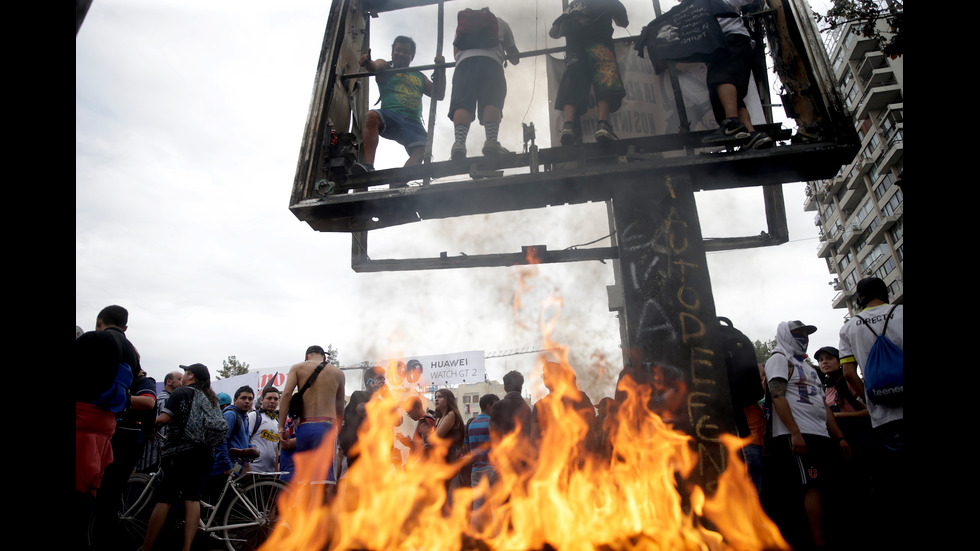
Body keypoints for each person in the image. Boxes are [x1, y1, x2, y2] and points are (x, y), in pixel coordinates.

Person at [763, 320, 850, 550]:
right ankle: (816, 542)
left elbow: (822, 405)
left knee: (824, 487)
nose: (804, 337)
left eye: (806, 334)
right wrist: (794, 432)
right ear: (786, 335)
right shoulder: (779, 359)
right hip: (798, 436)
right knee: (810, 487)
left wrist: (839, 437)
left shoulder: (809, 367)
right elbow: (777, 396)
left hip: (821, 435)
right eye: (798, 333)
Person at [837, 277, 904, 547]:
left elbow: (848, 372)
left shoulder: (850, 327)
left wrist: (871, 397)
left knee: (895, 482)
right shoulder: (900, 313)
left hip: (883, 418)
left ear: (859, 299)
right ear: (885, 293)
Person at [92, 306, 157, 551]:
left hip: (123, 444)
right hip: (107, 439)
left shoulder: (143, 381)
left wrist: (119, 398)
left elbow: (149, 402)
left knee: (107, 498)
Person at [142, 364, 220, 551]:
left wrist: (149, 428)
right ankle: (187, 547)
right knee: (192, 499)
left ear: (191, 376)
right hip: (205, 455)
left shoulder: (181, 393)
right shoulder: (212, 399)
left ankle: (146, 547)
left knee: (165, 499)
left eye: (185, 373)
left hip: (180, 454)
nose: (184, 376)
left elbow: (164, 419)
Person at [352, 36, 446, 175]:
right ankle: (369, 165)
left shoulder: (419, 76)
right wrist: (368, 62)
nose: (401, 54)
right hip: (390, 116)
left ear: (412, 56)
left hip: (412, 122)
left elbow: (439, 94)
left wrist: (442, 69)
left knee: (424, 150)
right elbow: (374, 67)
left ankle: (400, 181)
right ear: (392, 52)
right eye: (398, 50)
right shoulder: (386, 66)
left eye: (406, 52)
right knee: (372, 115)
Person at [550, 0, 629, 144]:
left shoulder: (573, 5)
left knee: (573, 84)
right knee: (605, 79)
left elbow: (553, 32)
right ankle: (603, 125)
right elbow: (623, 23)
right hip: (600, 45)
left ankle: (568, 125)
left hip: (574, 51)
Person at [447, 7, 521, 160]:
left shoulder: (463, 25)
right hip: (491, 63)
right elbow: (515, 58)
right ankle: (491, 142)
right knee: (491, 100)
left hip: (464, 65)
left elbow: (456, 52)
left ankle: (459, 144)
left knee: (462, 104)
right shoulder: (501, 23)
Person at [700, 0, 773, 149]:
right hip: (729, 44)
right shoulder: (690, 11)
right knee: (728, 94)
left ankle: (731, 123)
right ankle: (750, 133)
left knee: (722, 77)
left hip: (731, 40)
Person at [278, 345, 346, 486]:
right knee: (324, 482)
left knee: (305, 481)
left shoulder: (297, 368)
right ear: (324, 357)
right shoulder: (338, 373)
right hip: (326, 426)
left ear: (306, 356)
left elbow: (286, 395)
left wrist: (281, 427)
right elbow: (340, 406)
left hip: (304, 427)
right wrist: (338, 430)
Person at [138, 370, 183, 473]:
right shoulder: (167, 400)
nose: (182, 382)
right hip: (156, 454)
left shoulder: (160, 398)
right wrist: (164, 446)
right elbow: (162, 427)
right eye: (179, 379)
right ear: (169, 382)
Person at [466, 393, 499, 532]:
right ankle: (497, 539)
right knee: (495, 506)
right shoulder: (493, 423)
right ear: (488, 406)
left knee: (477, 506)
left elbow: (468, 448)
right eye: (495, 405)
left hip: (476, 470)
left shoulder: (471, 424)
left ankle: (475, 538)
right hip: (491, 469)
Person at [248, 386, 281, 473]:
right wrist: (245, 467)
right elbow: (245, 440)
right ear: (262, 400)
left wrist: (276, 471)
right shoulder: (254, 416)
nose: (273, 401)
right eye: (269, 398)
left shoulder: (277, 421)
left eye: (276, 399)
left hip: (270, 472)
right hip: (254, 470)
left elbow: (276, 448)